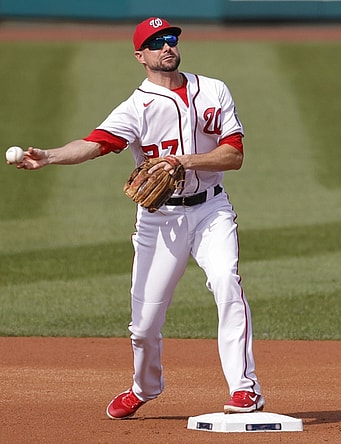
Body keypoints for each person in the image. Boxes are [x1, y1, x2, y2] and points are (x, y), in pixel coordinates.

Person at [11, 17, 264, 419]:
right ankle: (144, 386)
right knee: (144, 325)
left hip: (211, 210)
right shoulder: (137, 106)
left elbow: (233, 155)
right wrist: (49, 156)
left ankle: (245, 389)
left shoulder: (213, 90)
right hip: (159, 221)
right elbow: (95, 144)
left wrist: (183, 160)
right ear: (140, 55)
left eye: (170, 39)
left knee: (226, 282)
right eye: (156, 42)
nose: (167, 46)